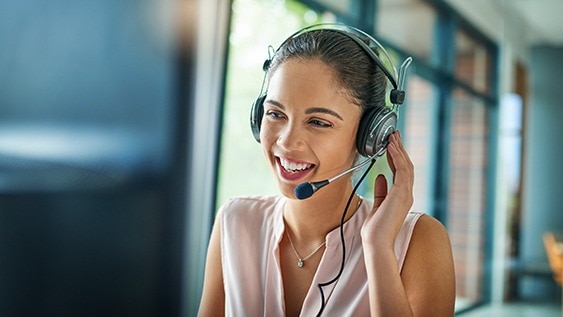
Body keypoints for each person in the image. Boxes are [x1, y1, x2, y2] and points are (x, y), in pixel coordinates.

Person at [199, 24, 456, 316]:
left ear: (370, 136)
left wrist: (379, 248)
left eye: (318, 122)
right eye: (275, 114)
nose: (286, 141)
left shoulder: (420, 241)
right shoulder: (236, 222)